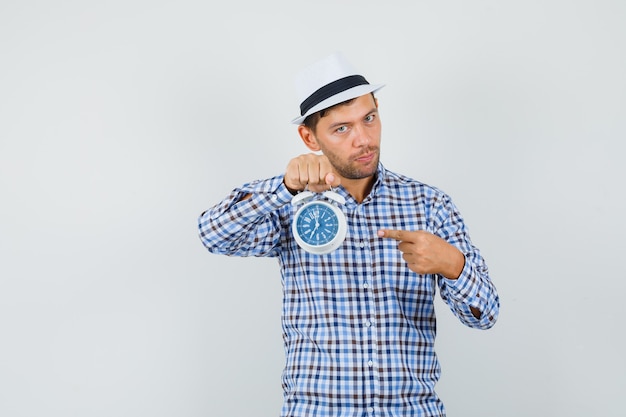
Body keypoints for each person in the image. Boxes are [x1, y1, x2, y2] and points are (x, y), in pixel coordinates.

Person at [198, 52, 499, 417]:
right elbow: (214, 234)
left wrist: (454, 264)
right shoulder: (290, 204)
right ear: (309, 137)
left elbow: (484, 315)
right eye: (342, 128)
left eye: (369, 119)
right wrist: (282, 187)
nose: (363, 139)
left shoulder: (429, 204)